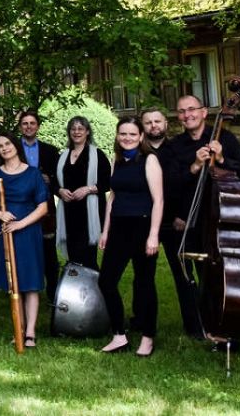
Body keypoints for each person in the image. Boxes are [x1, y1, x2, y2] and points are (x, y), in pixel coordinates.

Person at [165, 94, 240, 369]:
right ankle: (227, 340)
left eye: (192, 109)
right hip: (194, 225)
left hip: (224, 226)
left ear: (204, 112)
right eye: (181, 111)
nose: (187, 114)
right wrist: (194, 166)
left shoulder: (224, 138)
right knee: (209, 289)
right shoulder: (175, 147)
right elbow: (171, 184)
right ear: (178, 117)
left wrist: (222, 158)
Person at [98, 118, 163, 357]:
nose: (127, 138)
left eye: (132, 134)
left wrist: (154, 235)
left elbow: (159, 200)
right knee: (106, 281)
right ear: (117, 136)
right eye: (123, 134)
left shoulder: (150, 160)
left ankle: (148, 337)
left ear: (141, 137)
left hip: (143, 226)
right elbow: (112, 198)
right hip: (118, 227)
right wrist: (105, 230)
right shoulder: (117, 161)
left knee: (144, 283)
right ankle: (119, 335)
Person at [0, 133, 48, 347]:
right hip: (5, 232)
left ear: (16, 145)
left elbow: (43, 207)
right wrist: (0, 215)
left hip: (27, 231)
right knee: (14, 282)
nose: (4, 148)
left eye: (7, 143)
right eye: (0, 146)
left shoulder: (33, 173)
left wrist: (20, 224)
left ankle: (30, 333)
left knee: (30, 282)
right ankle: (18, 328)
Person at [55, 116, 111, 271]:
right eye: (73, 129)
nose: (76, 132)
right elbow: (54, 182)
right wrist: (59, 191)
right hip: (68, 214)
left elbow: (108, 182)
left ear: (87, 132)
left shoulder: (97, 155)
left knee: (87, 258)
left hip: (89, 215)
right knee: (73, 256)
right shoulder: (63, 156)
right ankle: (75, 291)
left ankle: (93, 291)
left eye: (80, 129)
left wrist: (88, 189)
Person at [18, 110, 60, 302]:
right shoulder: (12, 149)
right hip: (21, 205)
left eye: (32, 123)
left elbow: (59, 179)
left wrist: (49, 178)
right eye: (25, 123)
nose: (28, 126)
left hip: (45, 206)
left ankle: (53, 292)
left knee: (48, 250)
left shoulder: (50, 151)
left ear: (38, 126)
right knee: (23, 249)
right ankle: (23, 291)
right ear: (20, 127)